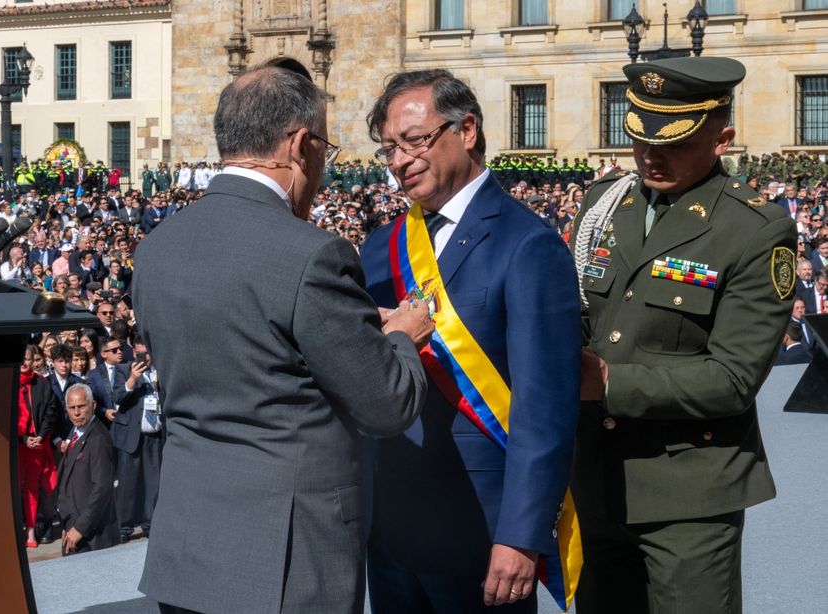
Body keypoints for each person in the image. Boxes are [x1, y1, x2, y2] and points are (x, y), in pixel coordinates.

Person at [132, 65, 432, 614]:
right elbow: (387, 405)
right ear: (299, 145)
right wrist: (401, 337)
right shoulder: (311, 254)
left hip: (183, 550)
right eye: (324, 147)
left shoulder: (156, 248)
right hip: (286, 564)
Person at [572, 56, 797, 614]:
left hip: (689, 495)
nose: (651, 154)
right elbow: (581, 316)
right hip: (598, 479)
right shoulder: (603, 206)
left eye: (674, 141)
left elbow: (733, 378)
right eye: (641, 138)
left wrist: (607, 383)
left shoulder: (754, 227)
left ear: (722, 138)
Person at [360, 69, 581, 613]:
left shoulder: (527, 242)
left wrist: (522, 535)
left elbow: (545, 408)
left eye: (414, 141)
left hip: (482, 532)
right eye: (388, 148)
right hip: (390, 530)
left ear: (467, 130)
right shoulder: (380, 246)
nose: (399, 161)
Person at [56, 384, 119, 555]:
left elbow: (102, 488)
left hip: (91, 536)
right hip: (73, 527)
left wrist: (79, 528)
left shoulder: (98, 438)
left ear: (93, 406)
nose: (76, 413)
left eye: (81, 407)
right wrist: (66, 523)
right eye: (72, 408)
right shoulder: (75, 432)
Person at [111, 338, 163, 543]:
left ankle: (150, 523)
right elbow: (118, 397)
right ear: (134, 352)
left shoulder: (159, 371)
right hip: (131, 436)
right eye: (140, 353)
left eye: (147, 354)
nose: (144, 358)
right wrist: (132, 379)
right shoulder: (124, 370)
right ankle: (124, 526)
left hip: (154, 436)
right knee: (128, 485)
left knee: (153, 483)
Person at [18, 345, 60, 548]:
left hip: (38, 445)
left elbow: (51, 411)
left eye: (27, 359)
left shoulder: (42, 383)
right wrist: (23, 438)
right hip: (18, 446)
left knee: (33, 489)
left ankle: (32, 531)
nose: (24, 363)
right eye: (21, 360)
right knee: (16, 488)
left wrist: (41, 436)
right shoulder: (8, 385)